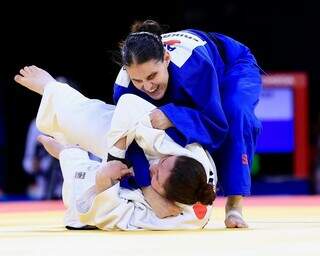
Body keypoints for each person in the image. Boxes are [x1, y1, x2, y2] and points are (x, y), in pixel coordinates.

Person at [14, 65, 217, 229]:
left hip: (123, 179)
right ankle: (51, 88)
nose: (153, 168)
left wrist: (96, 179)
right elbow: (129, 111)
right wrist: (146, 185)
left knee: (87, 183)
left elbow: (106, 214)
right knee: (94, 121)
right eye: (162, 163)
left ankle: (68, 153)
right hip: (133, 137)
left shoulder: (177, 219)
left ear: (170, 197)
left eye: (156, 176)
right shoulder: (188, 152)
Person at [113, 20, 263, 228]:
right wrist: (148, 189)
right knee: (157, 132)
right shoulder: (124, 88)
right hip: (191, 78)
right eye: (138, 80)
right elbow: (131, 140)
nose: (147, 86)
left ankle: (234, 205)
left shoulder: (194, 68)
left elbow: (216, 126)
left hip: (230, 66)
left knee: (235, 112)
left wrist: (173, 116)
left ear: (166, 59)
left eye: (152, 76)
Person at [23, 117, 63, 199]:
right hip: (41, 190)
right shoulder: (36, 125)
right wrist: (33, 165)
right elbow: (28, 161)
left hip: (64, 190)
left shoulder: (71, 124)